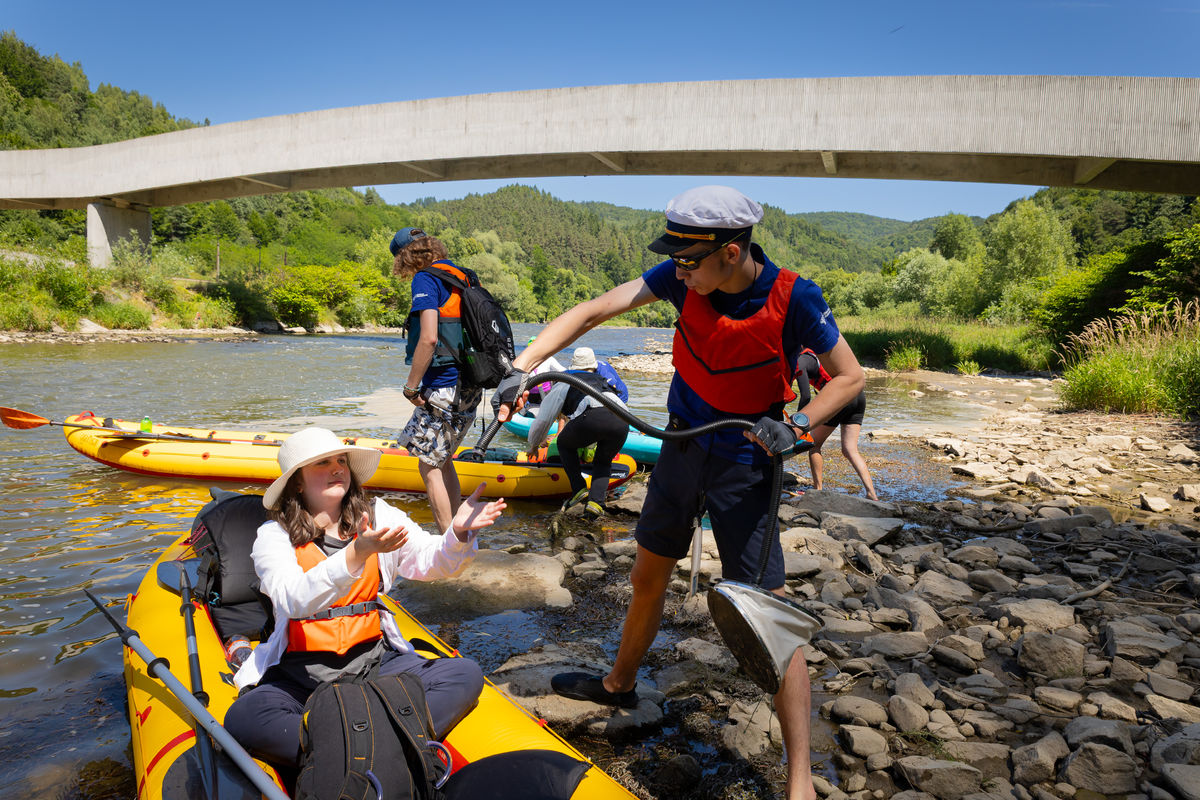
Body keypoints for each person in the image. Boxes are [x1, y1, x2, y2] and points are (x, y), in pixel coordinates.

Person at [494, 186, 865, 800]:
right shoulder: (681, 276)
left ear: (731, 251)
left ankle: (799, 779)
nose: (678, 271)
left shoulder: (795, 296)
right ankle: (619, 684)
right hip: (681, 448)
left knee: (769, 612)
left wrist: (798, 425)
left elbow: (850, 377)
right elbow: (592, 311)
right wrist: (522, 366)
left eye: (689, 261)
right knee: (648, 574)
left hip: (748, 460)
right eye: (676, 261)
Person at [224, 426, 506, 771]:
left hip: (375, 663)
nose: (337, 468)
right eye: (322, 463)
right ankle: (389, 741)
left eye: (341, 461)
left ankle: (345, 749)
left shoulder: (379, 514)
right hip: (303, 676)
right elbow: (291, 599)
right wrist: (355, 553)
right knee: (245, 717)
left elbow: (431, 562)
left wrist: (458, 533)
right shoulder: (274, 536)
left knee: (464, 674)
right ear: (297, 482)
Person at [391, 227, 484, 534]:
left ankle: (449, 542)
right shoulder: (464, 276)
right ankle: (458, 534)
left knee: (428, 465)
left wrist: (411, 387)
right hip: (471, 383)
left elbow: (429, 338)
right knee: (442, 459)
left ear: (405, 256)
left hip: (443, 385)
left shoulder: (426, 279)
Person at [527, 346, 629, 519]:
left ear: (573, 365)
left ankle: (579, 489)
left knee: (563, 444)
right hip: (622, 422)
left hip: (593, 417)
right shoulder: (603, 380)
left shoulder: (565, 381)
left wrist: (534, 444)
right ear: (593, 366)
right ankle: (596, 503)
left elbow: (544, 418)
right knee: (603, 461)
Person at [796, 349, 879, 500]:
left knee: (814, 445)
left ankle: (818, 490)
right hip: (857, 394)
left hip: (839, 397)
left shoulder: (800, 361)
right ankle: (871, 493)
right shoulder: (819, 354)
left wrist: (797, 425)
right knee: (850, 450)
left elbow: (806, 396)